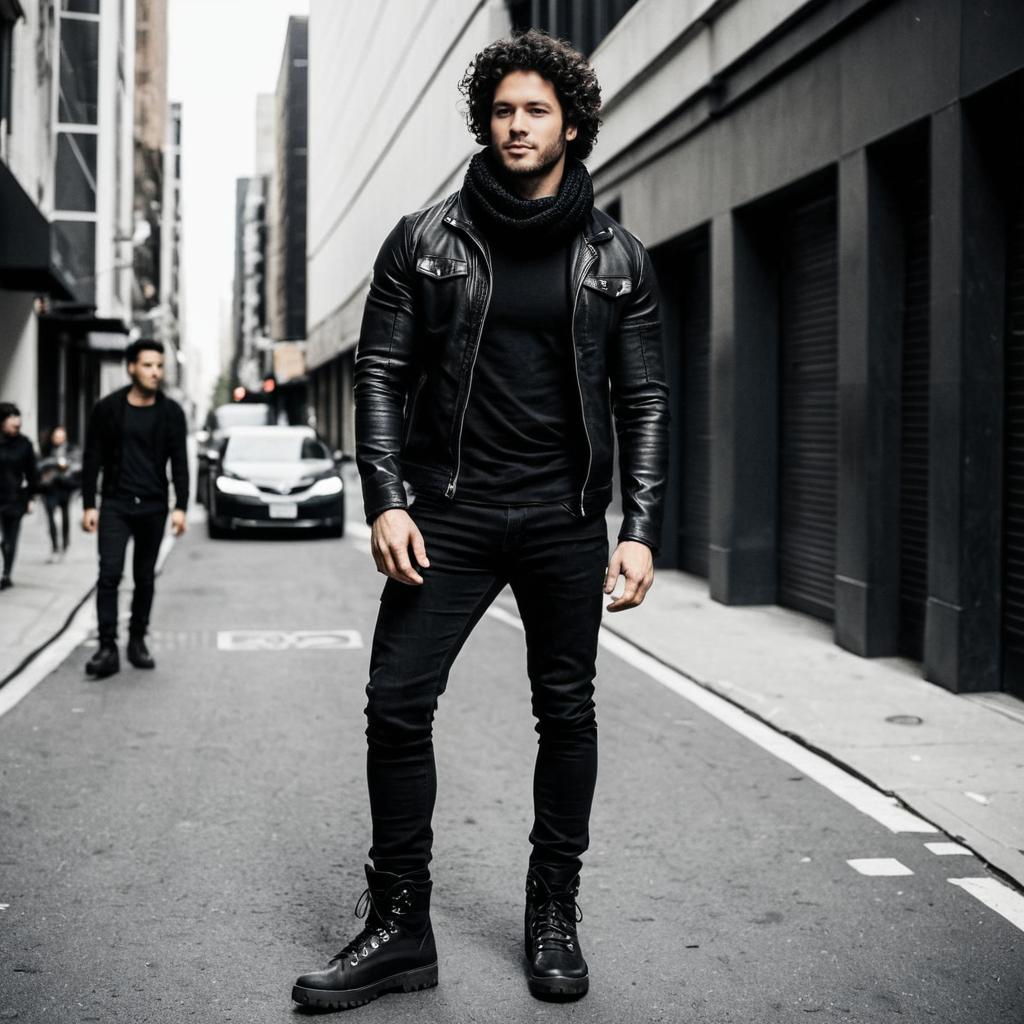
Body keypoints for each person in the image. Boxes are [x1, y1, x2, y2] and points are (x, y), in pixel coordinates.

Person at [293, 29, 668, 1011]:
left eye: (534, 109)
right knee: (395, 702)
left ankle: (553, 913)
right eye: (502, 109)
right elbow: (379, 372)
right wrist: (384, 498)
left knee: (567, 708)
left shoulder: (616, 258)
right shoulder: (425, 241)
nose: (515, 124)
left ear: (571, 123)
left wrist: (639, 527)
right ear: (484, 122)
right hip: (448, 510)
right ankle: (399, 924)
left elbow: (646, 399)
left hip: (562, 515)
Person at [81, 339, 188, 678]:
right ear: (131, 368)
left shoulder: (171, 412)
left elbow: (180, 462)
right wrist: (88, 504)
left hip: (153, 506)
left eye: (159, 365)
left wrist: (181, 506)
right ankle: (107, 647)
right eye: (148, 365)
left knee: (144, 578)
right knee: (109, 575)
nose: (155, 372)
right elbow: (92, 458)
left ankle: (137, 640)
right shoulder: (108, 409)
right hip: (115, 503)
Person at [0, 402, 39, 590]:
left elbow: (32, 474)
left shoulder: (25, 444)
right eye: (11, 417)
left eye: (17, 417)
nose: (16, 421)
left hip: (16, 499)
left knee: (10, 540)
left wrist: (31, 498)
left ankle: (6, 573)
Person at [38, 425, 81, 561]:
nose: (59, 439)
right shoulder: (46, 449)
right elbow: (38, 465)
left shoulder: (71, 449)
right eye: (56, 437)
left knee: (65, 517)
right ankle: (55, 547)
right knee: (51, 518)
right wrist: (54, 462)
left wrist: (66, 464)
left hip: (65, 487)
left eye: (61, 437)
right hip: (50, 488)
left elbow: (78, 465)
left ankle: (65, 545)